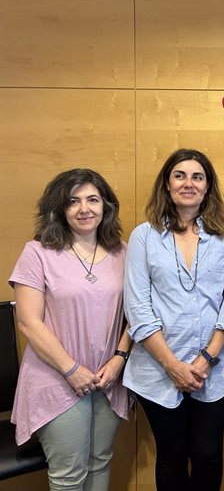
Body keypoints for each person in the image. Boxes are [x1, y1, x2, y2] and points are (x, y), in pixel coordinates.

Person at [123, 149, 224, 491]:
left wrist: (205, 360)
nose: (188, 183)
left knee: (207, 454)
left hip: (216, 368)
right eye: (180, 175)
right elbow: (138, 309)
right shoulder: (143, 237)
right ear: (166, 184)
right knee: (171, 454)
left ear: (208, 188)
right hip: (157, 369)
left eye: (197, 177)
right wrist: (174, 366)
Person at [9, 169, 131, 491]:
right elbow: (28, 322)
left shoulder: (123, 252)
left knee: (100, 462)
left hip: (108, 378)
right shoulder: (37, 253)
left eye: (93, 199)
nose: (84, 208)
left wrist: (119, 359)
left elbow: (137, 314)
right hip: (57, 380)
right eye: (73, 201)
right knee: (69, 475)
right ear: (60, 208)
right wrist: (72, 370)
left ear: (106, 206)